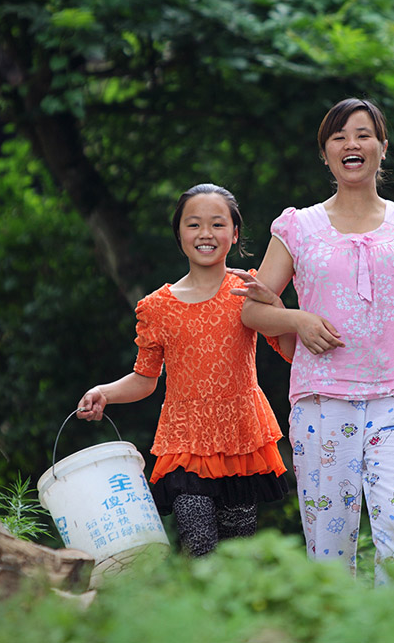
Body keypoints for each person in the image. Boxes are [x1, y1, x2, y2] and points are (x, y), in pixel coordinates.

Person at [239, 97, 394, 595]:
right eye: (339, 136)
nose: (352, 143)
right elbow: (252, 310)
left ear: (382, 148)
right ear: (325, 154)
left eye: (364, 134)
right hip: (323, 401)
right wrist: (298, 319)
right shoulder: (297, 228)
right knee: (328, 550)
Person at [76, 183, 294, 557]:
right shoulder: (156, 307)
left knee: (234, 559)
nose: (206, 234)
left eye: (217, 224)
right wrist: (104, 392)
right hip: (184, 442)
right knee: (200, 550)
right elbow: (145, 379)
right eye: (194, 225)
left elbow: (290, 351)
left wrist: (277, 303)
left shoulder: (249, 288)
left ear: (235, 233)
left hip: (240, 438)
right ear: (179, 234)